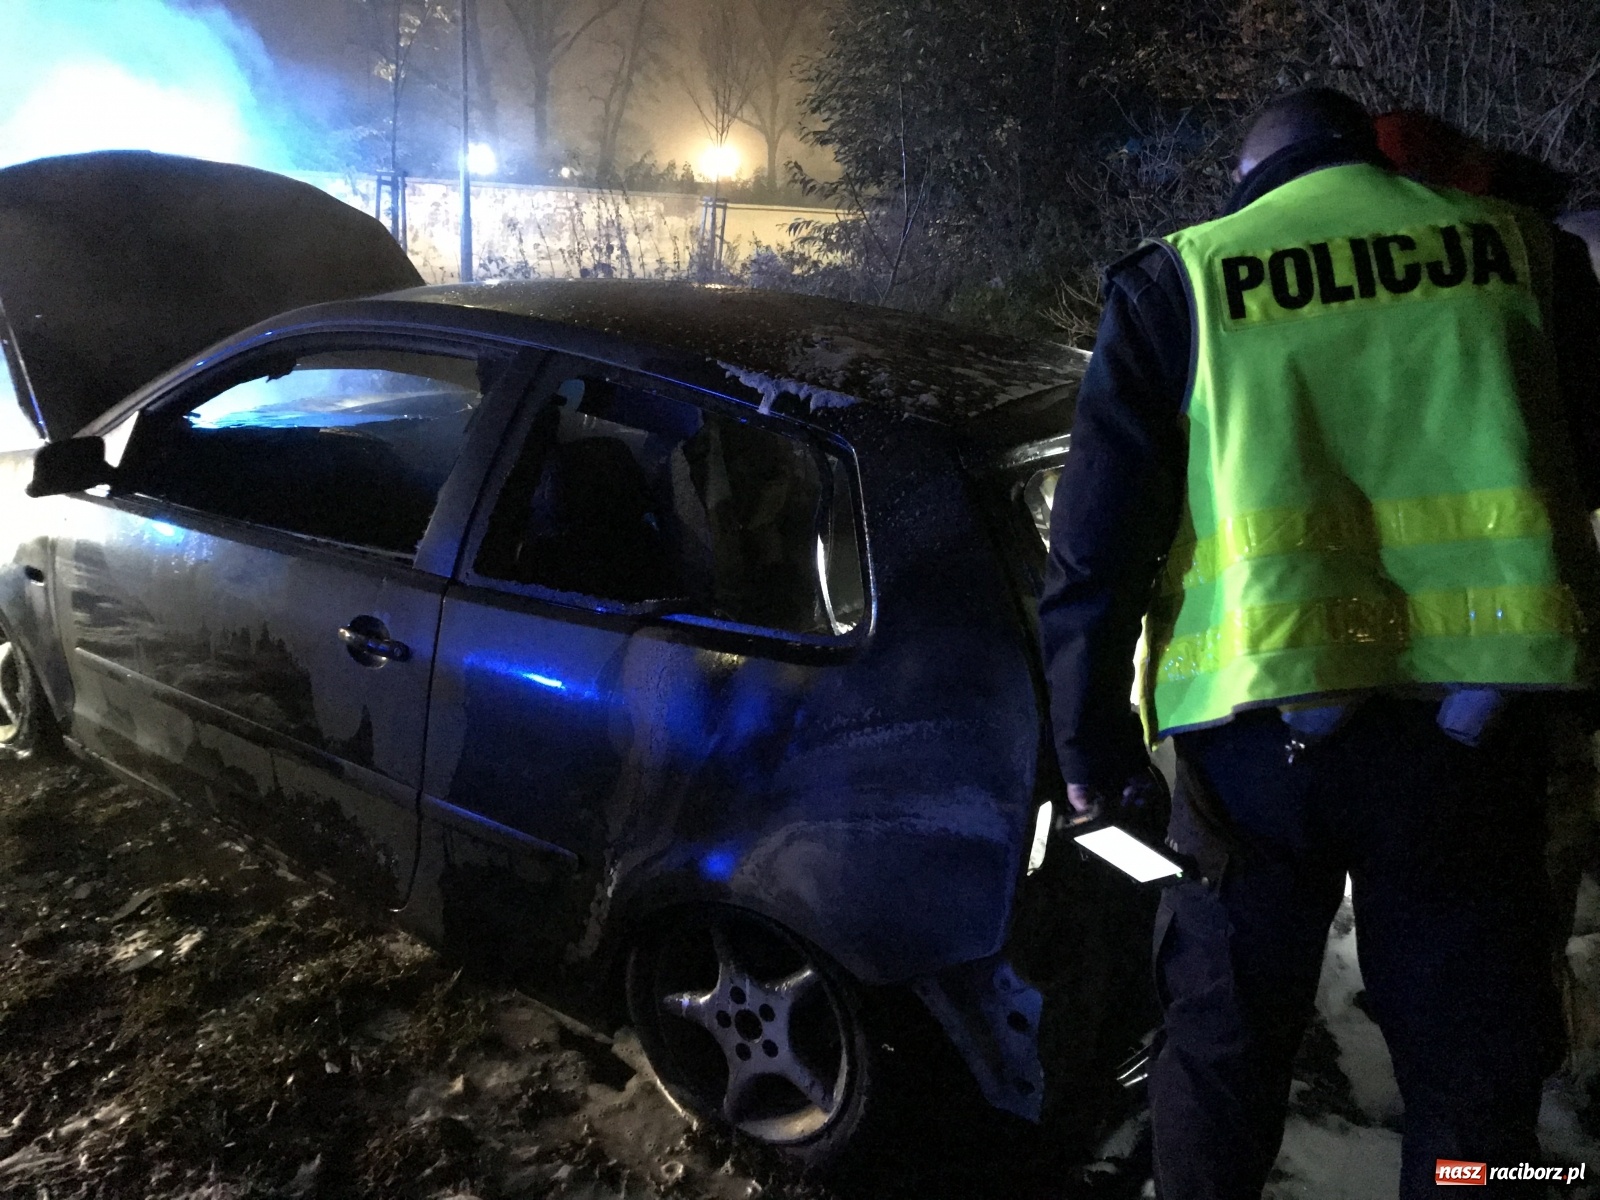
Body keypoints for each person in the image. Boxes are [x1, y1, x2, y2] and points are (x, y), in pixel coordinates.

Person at [1039, 88, 1600, 1198]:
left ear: (1252, 176)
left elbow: (1095, 553)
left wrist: (1093, 756)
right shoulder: (1524, 255)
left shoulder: (1181, 279)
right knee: (1473, 1072)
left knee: (1222, 1047)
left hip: (1253, 753)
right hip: (1471, 740)